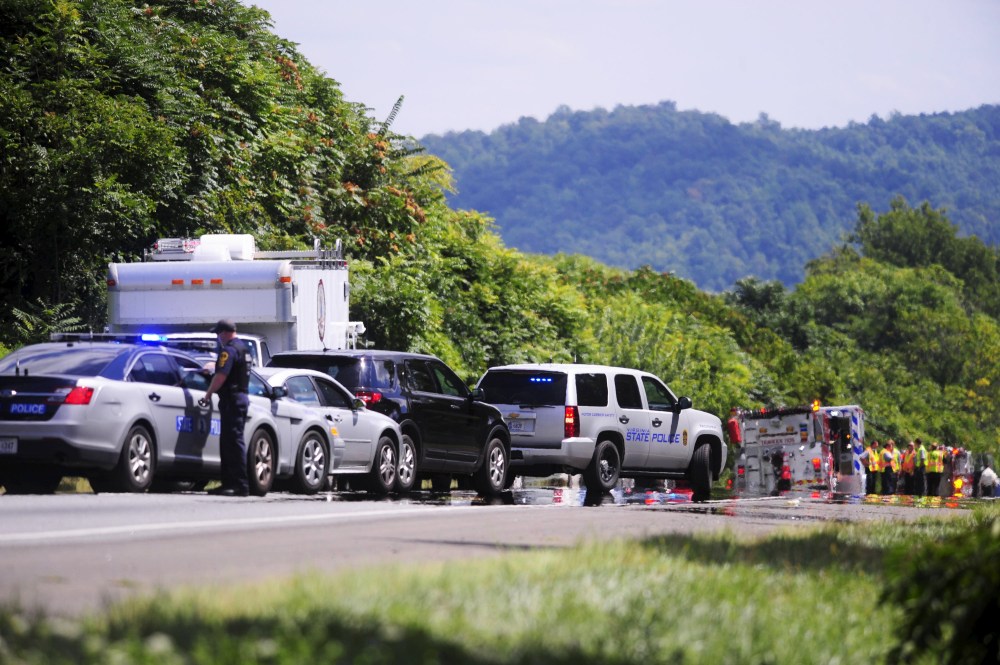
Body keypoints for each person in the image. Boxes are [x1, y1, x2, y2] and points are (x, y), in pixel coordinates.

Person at [199, 319, 251, 497]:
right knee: (231, 441)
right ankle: (231, 483)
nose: (217, 338)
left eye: (217, 334)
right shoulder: (243, 348)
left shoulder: (228, 350)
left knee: (232, 443)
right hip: (240, 398)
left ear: (223, 333)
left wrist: (207, 394)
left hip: (232, 399)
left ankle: (238, 485)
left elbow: (221, 376)